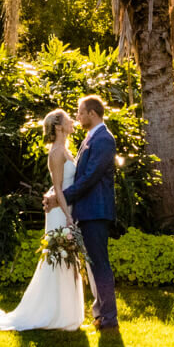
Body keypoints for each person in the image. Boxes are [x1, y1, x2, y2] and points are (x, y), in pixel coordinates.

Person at [0, 108, 85, 331]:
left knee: (66, 257)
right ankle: (53, 313)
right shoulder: (56, 153)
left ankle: (66, 312)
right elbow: (59, 189)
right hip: (60, 211)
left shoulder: (66, 150)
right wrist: (69, 216)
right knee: (58, 257)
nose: (73, 121)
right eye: (69, 119)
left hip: (65, 208)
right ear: (60, 126)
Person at [50, 95, 117, 330]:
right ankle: (100, 314)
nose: (77, 117)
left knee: (99, 263)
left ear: (92, 114)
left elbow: (90, 178)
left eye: (80, 112)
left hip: (96, 210)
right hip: (87, 210)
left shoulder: (104, 140)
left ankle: (109, 318)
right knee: (93, 265)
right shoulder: (91, 138)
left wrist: (62, 199)